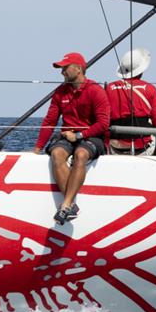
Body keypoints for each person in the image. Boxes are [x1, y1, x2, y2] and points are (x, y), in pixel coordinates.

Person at [33, 51, 110, 225]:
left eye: (65, 68)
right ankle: (70, 206)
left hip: (91, 136)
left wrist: (79, 136)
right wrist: (37, 149)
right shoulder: (60, 92)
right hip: (67, 136)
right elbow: (50, 121)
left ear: (78, 69)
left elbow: (103, 123)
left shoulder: (95, 91)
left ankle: (66, 204)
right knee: (57, 154)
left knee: (81, 155)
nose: (62, 73)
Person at [106, 48, 156, 155]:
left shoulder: (109, 87)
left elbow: (105, 118)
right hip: (143, 148)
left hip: (115, 147)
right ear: (141, 70)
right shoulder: (150, 88)